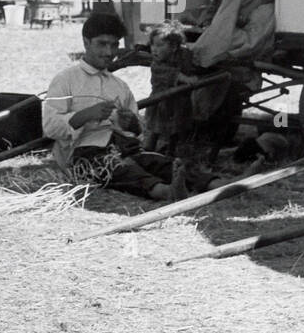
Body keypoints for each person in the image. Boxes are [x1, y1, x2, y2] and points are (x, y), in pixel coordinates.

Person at [43, 12, 193, 201]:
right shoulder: (66, 79)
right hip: (85, 153)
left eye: (114, 45)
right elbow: (50, 127)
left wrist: (130, 123)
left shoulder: (119, 86)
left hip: (124, 147)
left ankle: (213, 184)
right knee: (121, 170)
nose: (109, 52)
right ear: (86, 42)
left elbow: (138, 131)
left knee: (156, 162)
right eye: (102, 44)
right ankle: (164, 191)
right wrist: (85, 115)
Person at [142, 20, 197, 155]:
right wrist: (187, 79)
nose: (154, 49)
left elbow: (187, 61)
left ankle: (171, 151)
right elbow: (172, 74)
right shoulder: (157, 64)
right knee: (156, 128)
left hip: (178, 101)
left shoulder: (179, 56)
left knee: (176, 128)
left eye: (159, 45)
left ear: (173, 48)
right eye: (152, 45)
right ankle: (148, 149)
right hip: (161, 101)